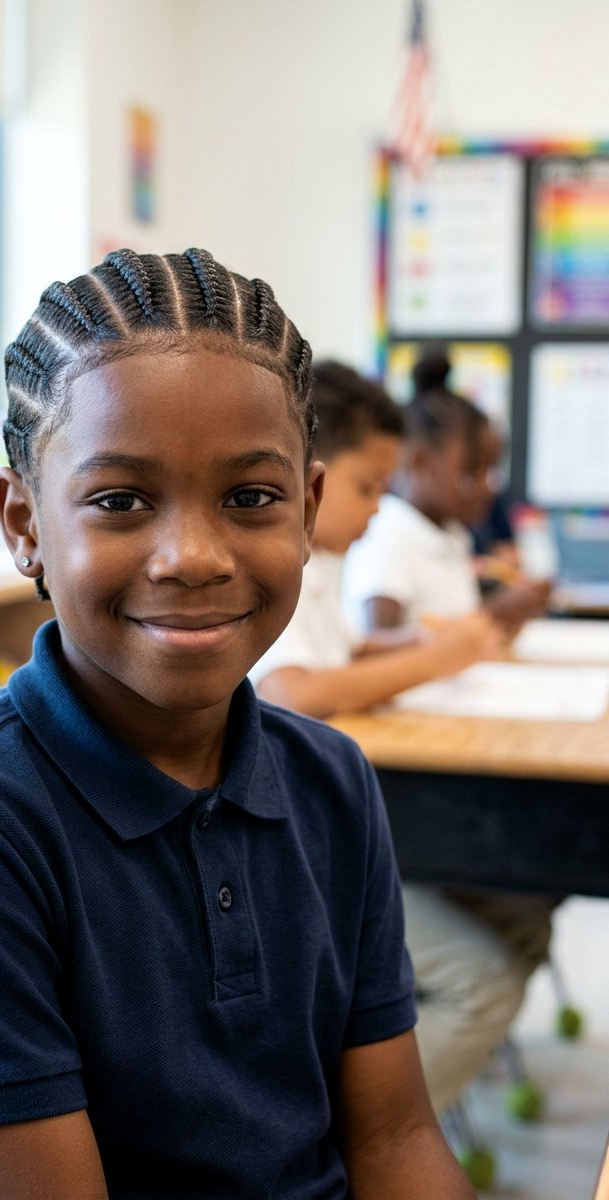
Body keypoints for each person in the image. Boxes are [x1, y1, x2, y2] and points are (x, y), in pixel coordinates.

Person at [0, 249, 475, 1199]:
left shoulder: (332, 782)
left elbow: (393, 1140)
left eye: (249, 498)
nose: (191, 556)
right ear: (24, 524)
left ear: (308, 512)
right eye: (120, 501)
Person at [250, 360, 546, 1117]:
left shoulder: (321, 568)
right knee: (484, 979)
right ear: (305, 477)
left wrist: (424, 643)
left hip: (338, 830)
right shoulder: (288, 565)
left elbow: (340, 652)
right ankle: (359, 1148)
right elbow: (293, 690)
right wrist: (433, 656)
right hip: (299, 852)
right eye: (367, 488)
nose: (379, 511)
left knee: (529, 905)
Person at [343, 349, 551, 639]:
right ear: (419, 462)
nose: (487, 486)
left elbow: (462, 632)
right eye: (471, 472)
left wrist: (514, 612)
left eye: (491, 472)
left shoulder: (454, 534)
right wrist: (497, 612)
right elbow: (376, 641)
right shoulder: (388, 533)